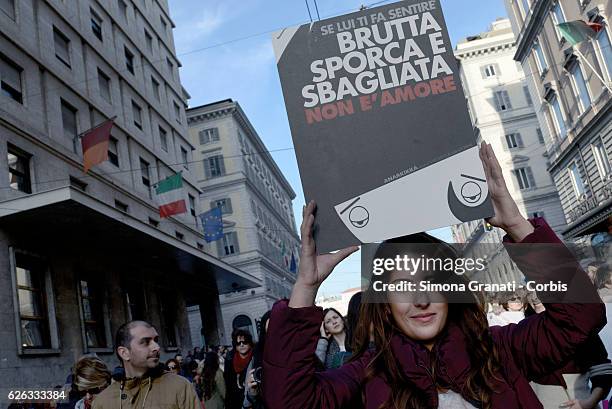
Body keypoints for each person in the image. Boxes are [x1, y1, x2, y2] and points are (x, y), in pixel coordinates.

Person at [262, 142, 606, 409]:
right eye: (402, 288)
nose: (421, 299)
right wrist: (306, 286)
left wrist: (518, 226)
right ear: (384, 304)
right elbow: (290, 403)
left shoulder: (500, 349)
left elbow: (581, 317)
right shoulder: (367, 374)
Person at [92, 320, 200, 409]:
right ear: (124, 353)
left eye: (156, 340)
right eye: (145, 342)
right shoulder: (102, 402)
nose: (156, 347)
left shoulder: (180, 387)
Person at [243, 311, 272, 409]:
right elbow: (246, 403)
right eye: (269, 332)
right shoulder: (257, 357)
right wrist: (252, 392)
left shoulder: (297, 353)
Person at [224, 329, 254, 409]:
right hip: (236, 402)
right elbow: (229, 387)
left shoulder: (256, 357)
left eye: (245, 342)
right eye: (238, 343)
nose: (241, 345)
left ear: (250, 343)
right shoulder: (230, 360)